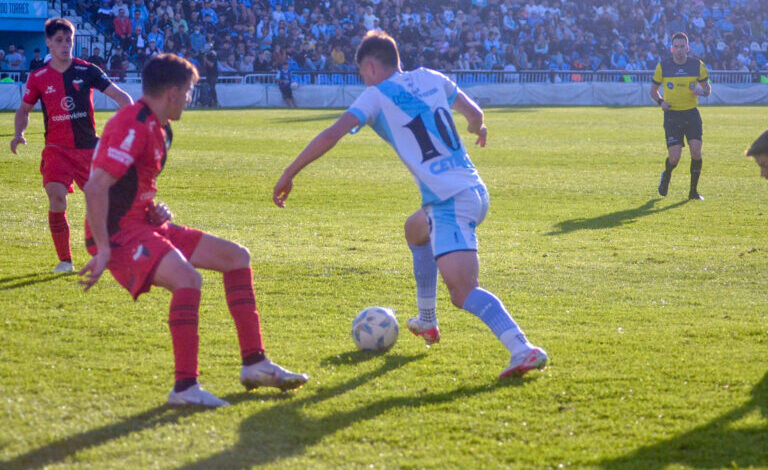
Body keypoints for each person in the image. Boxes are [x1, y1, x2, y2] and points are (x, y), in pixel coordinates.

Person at [273, 30, 547, 379]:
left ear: (370, 67)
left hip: (450, 203)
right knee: (415, 230)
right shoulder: (431, 77)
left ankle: (522, 348)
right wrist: (479, 129)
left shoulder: (375, 96)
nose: (363, 79)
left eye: (361, 72)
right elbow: (474, 113)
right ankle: (426, 321)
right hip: (474, 190)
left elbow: (332, 134)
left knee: (464, 292)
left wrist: (290, 171)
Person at [79, 53, 309, 408]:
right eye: (188, 91)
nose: (190, 98)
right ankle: (185, 388)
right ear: (172, 92)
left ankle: (255, 364)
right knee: (188, 279)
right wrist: (105, 250)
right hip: (118, 234)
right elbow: (96, 187)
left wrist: (153, 208)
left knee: (237, 258)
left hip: (142, 223)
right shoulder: (133, 123)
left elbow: (128, 185)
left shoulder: (159, 128)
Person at [10, 18, 133, 273]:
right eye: (59, 41)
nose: (65, 46)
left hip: (89, 149)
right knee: (56, 197)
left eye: (69, 40)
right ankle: (65, 261)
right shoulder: (38, 77)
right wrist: (18, 133)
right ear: (48, 43)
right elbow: (23, 110)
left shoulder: (87, 70)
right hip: (56, 150)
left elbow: (122, 98)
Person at [650, 32, 712, 200]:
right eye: (675, 47)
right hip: (672, 116)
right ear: (671, 48)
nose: (679, 50)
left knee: (696, 152)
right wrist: (661, 102)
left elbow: (707, 90)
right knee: (674, 157)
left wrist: (700, 91)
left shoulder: (697, 65)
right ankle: (667, 175)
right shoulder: (663, 66)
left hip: (691, 114)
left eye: (682, 46)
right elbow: (653, 91)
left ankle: (693, 192)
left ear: (687, 48)